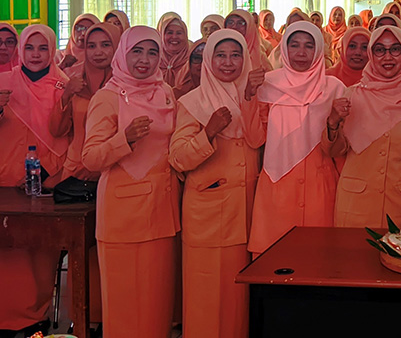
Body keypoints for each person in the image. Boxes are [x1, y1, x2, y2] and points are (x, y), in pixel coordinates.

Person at [82, 26, 181, 338]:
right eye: (137, 51)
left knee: (156, 303)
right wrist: (123, 139)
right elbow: (91, 158)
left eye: (152, 52)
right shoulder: (107, 97)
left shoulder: (165, 92)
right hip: (123, 217)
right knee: (125, 303)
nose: (145, 60)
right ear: (123, 54)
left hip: (162, 210)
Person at [169, 29, 265, 338]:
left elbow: (258, 140)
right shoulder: (192, 102)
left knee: (237, 297)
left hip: (244, 212)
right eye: (220, 55)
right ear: (208, 60)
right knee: (205, 293)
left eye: (235, 55)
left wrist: (249, 100)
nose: (228, 62)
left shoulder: (253, 97)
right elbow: (178, 158)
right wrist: (208, 132)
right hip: (207, 215)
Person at [325, 26, 401, 227]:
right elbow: (335, 151)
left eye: (395, 49)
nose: (388, 57)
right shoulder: (352, 95)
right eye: (380, 50)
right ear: (371, 54)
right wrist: (332, 122)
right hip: (357, 204)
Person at [247, 22, 345, 256]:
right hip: (277, 182)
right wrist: (249, 95)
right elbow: (255, 138)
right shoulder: (267, 85)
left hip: (320, 184)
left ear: (319, 49)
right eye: (294, 45)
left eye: (309, 46)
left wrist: (333, 123)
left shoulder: (334, 88)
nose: (301, 53)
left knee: (318, 257)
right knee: (275, 258)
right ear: (284, 48)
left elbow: (342, 146)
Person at [48, 23, 120, 328]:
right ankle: (81, 317)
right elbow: (57, 129)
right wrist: (66, 95)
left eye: (106, 44)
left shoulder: (126, 80)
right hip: (77, 175)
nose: (98, 52)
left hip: (112, 171)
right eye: (92, 45)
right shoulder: (74, 79)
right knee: (77, 249)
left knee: (107, 251)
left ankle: (108, 318)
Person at [0, 25, 69, 335]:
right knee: (8, 253)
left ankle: (35, 318)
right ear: (21, 50)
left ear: (52, 50)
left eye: (43, 48)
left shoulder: (62, 86)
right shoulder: (4, 83)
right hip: (4, 181)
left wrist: (47, 173)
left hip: (45, 182)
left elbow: (68, 137)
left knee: (40, 252)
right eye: (30, 48)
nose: (36, 55)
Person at [157, 13, 191, 87]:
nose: (174, 36)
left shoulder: (194, 59)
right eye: (170, 33)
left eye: (179, 33)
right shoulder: (154, 59)